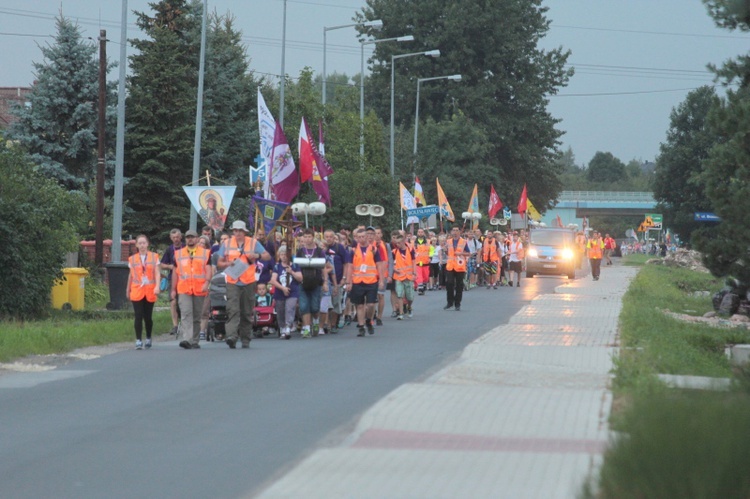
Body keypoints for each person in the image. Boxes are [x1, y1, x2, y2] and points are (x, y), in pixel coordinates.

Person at [216, 220, 270, 349]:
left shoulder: (253, 242)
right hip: (233, 281)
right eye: (235, 230)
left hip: (249, 281)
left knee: (246, 312)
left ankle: (246, 339)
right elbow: (219, 263)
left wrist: (256, 255)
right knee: (232, 310)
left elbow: (267, 256)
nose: (237, 233)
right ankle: (232, 337)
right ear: (233, 231)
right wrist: (227, 264)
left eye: (240, 230)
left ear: (244, 232)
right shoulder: (227, 243)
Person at [173, 230, 212, 349]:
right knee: (186, 313)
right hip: (184, 289)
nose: (190, 239)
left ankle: (195, 340)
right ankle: (187, 339)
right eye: (188, 237)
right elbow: (175, 272)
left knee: (196, 315)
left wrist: (207, 282)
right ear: (185, 239)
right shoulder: (178, 254)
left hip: (199, 288)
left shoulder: (205, 253)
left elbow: (209, 269)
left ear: (196, 238)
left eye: (192, 237)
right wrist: (173, 289)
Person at [344, 228, 386, 336]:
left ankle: (369, 320)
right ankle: (361, 326)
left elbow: (379, 265)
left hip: (371, 280)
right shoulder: (353, 251)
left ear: (367, 237)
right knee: (360, 305)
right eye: (359, 237)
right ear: (356, 238)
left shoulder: (373, 249)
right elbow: (350, 267)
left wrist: (381, 280)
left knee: (371, 305)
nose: (362, 239)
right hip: (358, 281)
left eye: (364, 236)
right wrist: (348, 282)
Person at [127, 234, 160, 349]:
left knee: (148, 316)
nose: (142, 245)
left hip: (150, 290)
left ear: (147, 244)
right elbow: (131, 275)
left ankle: (149, 337)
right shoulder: (132, 259)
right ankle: (138, 340)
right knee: (138, 315)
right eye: (139, 243)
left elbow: (157, 272)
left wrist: (157, 286)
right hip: (137, 290)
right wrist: (128, 289)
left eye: (144, 243)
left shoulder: (154, 257)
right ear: (136, 245)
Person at [296, 228, 328, 338]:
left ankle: (315, 321)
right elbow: (297, 267)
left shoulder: (319, 251)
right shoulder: (300, 251)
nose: (307, 239)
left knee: (315, 307)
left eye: (309, 237)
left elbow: (323, 268)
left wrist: (325, 283)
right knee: (304, 306)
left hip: (316, 282)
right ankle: (306, 328)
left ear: (313, 237)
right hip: (303, 283)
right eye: (305, 237)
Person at [269, 246, 302, 340]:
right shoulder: (277, 266)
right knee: (280, 310)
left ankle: (288, 327)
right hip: (280, 293)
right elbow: (273, 280)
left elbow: (300, 278)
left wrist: (292, 272)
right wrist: (282, 288)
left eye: (285, 254)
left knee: (290, 308)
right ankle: (282, 327)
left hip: (293, 292)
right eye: (281, 254)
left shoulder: (295, 266)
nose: (283, 256)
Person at [323, 229, 347, 334]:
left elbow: (346, 263)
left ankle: (333, 324)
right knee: (326, 305)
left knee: (335, 303)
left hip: (337, 281)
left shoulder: (339, 248)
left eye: (330, 237)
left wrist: (344, 278)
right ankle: (326, 324)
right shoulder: (321, 249)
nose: (328, 239)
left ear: (334, 238)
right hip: (324, 281)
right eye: (326, 236)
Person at [160, 228, 183, 336]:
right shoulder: (169, 250)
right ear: (171, 238)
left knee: (183, 302)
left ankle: (184, 322)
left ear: (181, 237)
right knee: (173, 302)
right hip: (172, 278)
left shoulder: (186, 248)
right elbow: (162, 264)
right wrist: (170, 266)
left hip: (184, 278)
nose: (176, 239)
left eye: (177, 237)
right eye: (173, 237)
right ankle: (175, 325)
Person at [391, 233, 417, 319]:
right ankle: (401, 313)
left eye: (399, 243)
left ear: (403, 241)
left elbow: (414, 262)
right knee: (399, 294)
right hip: (398, 277)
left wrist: (414, 273)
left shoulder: (410, 250)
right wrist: (394, 270)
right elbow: (390, 263)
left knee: (410, 296)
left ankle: (409, 306)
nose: (397, 245)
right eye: (396, 243)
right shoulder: (394, 252)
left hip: (408, 277)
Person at [444, 226, 469, 311]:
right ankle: (450, 302)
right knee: (449, 283)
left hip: (459, 266)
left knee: (459, 285)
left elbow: (468, 253)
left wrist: (461, 253)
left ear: (459, 232)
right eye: (453, 230)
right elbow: (447, 252)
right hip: (450, 266)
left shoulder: (463, 242)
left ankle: (457, 303)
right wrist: (444, 250)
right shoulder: (448, 241)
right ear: (451, 232)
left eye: (457, 230)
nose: (455, 232)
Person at [197, 235, 212, 341]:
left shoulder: (209, 256)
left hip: (206, 286)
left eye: (202, 243)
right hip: (193, 286)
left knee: (204, 311)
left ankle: (202, 331)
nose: (200, 244)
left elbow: (212, 271)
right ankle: (194, 331)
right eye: (199, 242)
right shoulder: (192, 255)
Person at [413, 228, 431, 295]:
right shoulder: (414, 242)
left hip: (426, 262)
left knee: (426, 276)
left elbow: (432, 250)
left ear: (423, 233)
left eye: (421, 232)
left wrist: (430, 257)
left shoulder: (428, 242)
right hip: (418, 262)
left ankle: (423, 285)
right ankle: (420, 289)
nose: (420, 233)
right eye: (419, 232)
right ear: (417, 233)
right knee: (419, 276)